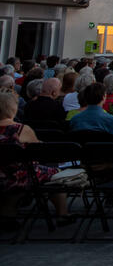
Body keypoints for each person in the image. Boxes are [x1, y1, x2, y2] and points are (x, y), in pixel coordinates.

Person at [0, 92, 71, 227]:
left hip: (4, 175)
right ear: (12, 108)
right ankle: (63, 214)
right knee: (56, 174)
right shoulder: (20, 129)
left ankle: (8, 214)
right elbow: (40, 150)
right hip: (19, 176)